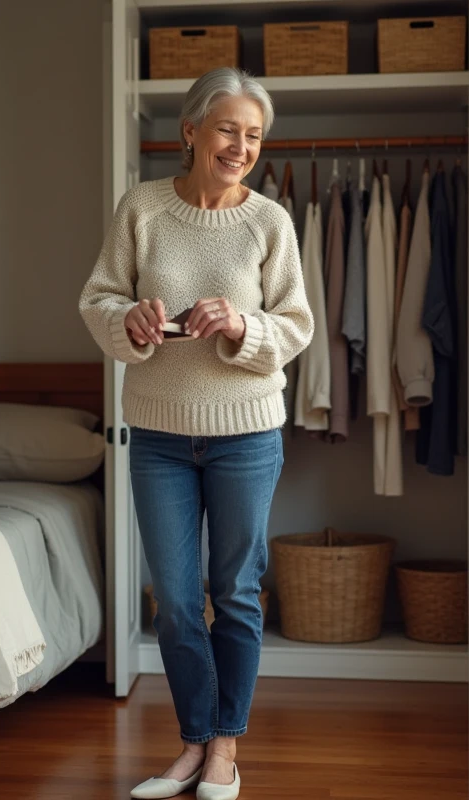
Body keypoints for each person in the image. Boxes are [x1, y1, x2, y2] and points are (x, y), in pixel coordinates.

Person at [79, 67, 313, 800]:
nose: (241, 147)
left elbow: (297, 325)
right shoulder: (142, 208)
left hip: (246, 435)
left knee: (235, 592)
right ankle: (192, 743)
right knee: (177, 602)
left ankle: (224, 750)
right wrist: (129, 320)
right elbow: (98, 299)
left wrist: (244, 325)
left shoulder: (270, 222)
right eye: (227, 130)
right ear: (190, 131)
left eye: (254, 135)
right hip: (157, 436)